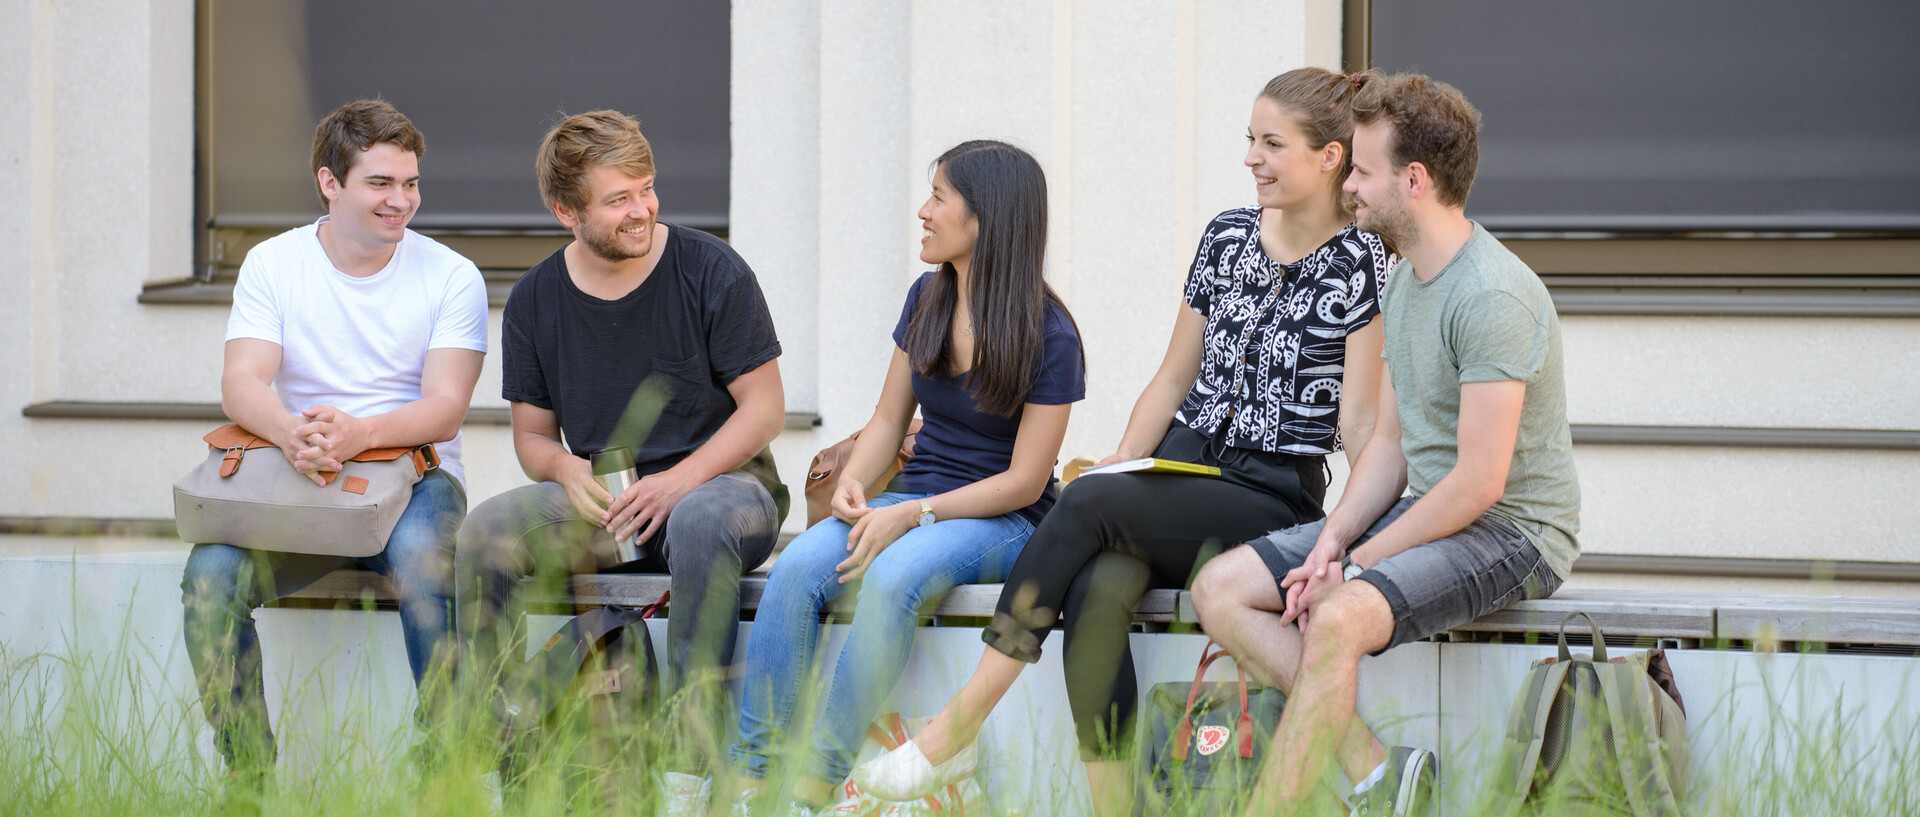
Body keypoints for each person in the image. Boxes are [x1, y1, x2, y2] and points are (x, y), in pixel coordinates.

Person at [852, 68, 1394, 817]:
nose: (1252, 158)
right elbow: (1172, 379)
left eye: (1273, 144)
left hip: (1268, 494)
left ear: (1330, 157)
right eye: (1249, 140)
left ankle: (957, 724)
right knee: (1097, 588)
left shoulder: (1363, 261)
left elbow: (1362, 421)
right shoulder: (1226, 236)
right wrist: (1124, 467)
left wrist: (1346, 544)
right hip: (1180, 464)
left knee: (1087, 503)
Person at [1191, 70, 1581, 817]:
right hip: (1432, 507)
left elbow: (1479, 483)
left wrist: (1361, 564)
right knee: (1221, 588)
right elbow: (1393, 445)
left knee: (1339, 615)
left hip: (1515, 531)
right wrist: (1330, 543)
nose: (1349, 189)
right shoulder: (1403, 282)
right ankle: (1380, 774)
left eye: (1362, 172)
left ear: (1414, 179)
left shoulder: (1492, 295)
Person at [725, 140, 1085, 817]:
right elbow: (890, 420)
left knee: (894, 575)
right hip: (914, 497)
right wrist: (858, 483)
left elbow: (1024, 479)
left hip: (1005, 519)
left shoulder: (1049, 332)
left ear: (986, 218)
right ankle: (753, 780)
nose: (924, 211)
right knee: (800, 564)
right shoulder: (927, 296)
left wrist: (912, 515)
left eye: (940, 197)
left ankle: (815, 784)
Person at [452, 111, 787, 802]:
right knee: (487, 531)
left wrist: (679, 482)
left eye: (647, 188)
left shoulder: (711, 270)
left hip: (726, 493)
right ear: (565, 211)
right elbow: (533, 438)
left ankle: (688, 776)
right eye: (618, 198)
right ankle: (490, 763)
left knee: (696, 521)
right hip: (608, 504)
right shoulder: (536, 300)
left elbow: (765, 409)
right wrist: (564, 468)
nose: (642, 209)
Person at [181, 99, 489, 778]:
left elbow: (444, 409)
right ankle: (249, 774)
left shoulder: (451, 275)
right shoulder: (274, 263)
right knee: (209, 576)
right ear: (330, 183)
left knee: (422, 562)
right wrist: (292, 433)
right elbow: (243, 383)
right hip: (303, 476)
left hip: (416, 476)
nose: (401, 201)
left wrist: (358, 433)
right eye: (380, 183)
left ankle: (445, 768)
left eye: (409, 183)